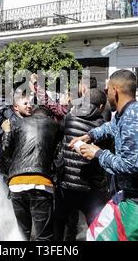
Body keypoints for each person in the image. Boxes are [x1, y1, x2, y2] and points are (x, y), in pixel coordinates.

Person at [70, 70, 138, 241]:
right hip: (136, 196)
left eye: (107, 90)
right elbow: (111, 127)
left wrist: (97, 153)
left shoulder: (134, 119)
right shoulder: (125, 113)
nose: (106, 94)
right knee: (95, 233)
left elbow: (130, 166)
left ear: (115, 91)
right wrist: (90, 135)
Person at [0, 106, 61, 241]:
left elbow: (4, 157)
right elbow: (59, 158)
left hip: (16, 184)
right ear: (49, 117)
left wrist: (7, 133)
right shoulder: (55, 126)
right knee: (43, 236)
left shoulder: (17, 124)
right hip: (41, 184)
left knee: (22, 232)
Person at [53, 89, 110, 241]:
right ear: (102, 106)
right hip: (91, 186)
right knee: (96, 224)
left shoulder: (69, 117)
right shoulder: (103, 125)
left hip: (66, 182)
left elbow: (59, 137)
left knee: (61, 221)